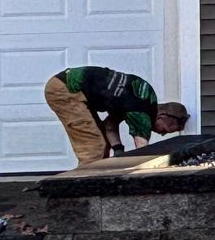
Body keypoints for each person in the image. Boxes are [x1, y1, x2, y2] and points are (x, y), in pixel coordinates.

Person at [43, 66, 189, 166]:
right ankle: (82, 190)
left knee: (102, 143)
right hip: (67, 89)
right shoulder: (142, 111)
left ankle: (97, 183)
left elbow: (110, 126)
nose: (162, 134)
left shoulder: (138, 98)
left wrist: (118, 150)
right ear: (162, 115)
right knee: (94, 147)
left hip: (69, 86)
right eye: (167, 128)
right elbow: (142, 151)